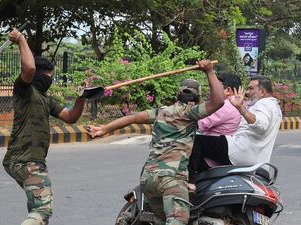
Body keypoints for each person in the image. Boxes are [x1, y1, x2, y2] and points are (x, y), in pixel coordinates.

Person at [86, 60, 225, 225]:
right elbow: (219, 101)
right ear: (198, 98)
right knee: (178, 220)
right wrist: (209, 71)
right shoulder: (190, 113)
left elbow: (131, 118)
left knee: (161, 220)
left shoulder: (161, 112)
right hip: (171, 178)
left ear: (177, 96)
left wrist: (103, 129)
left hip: (148, 179)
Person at [2, 28, 87, 225]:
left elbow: (70, 116)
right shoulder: (24, 90)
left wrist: (81, 98)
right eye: (48, 76)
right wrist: (21, 39)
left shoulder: (45, 99)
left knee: (36, 207)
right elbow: (29, 69)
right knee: (43, 209)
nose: (49, 80)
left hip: (23, 161)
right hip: (27, 162)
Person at [189, 76, 282, 176]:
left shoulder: (263, 104)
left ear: (262, 92)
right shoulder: (274, 107)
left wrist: (240, 108)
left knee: (195, 141)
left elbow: (260, 125)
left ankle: (191, 180)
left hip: (240, 150)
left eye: (251, 88)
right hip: (252, 155)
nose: (247, 92)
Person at [188, 73, 242, 184]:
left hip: (212, 159)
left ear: (228, 91)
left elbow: (200, 123)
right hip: (223, 150)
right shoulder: (238, 103)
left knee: (192, 142)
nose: (211, 90)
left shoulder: (225, 105)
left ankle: (190, 181)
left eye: (215, 87)